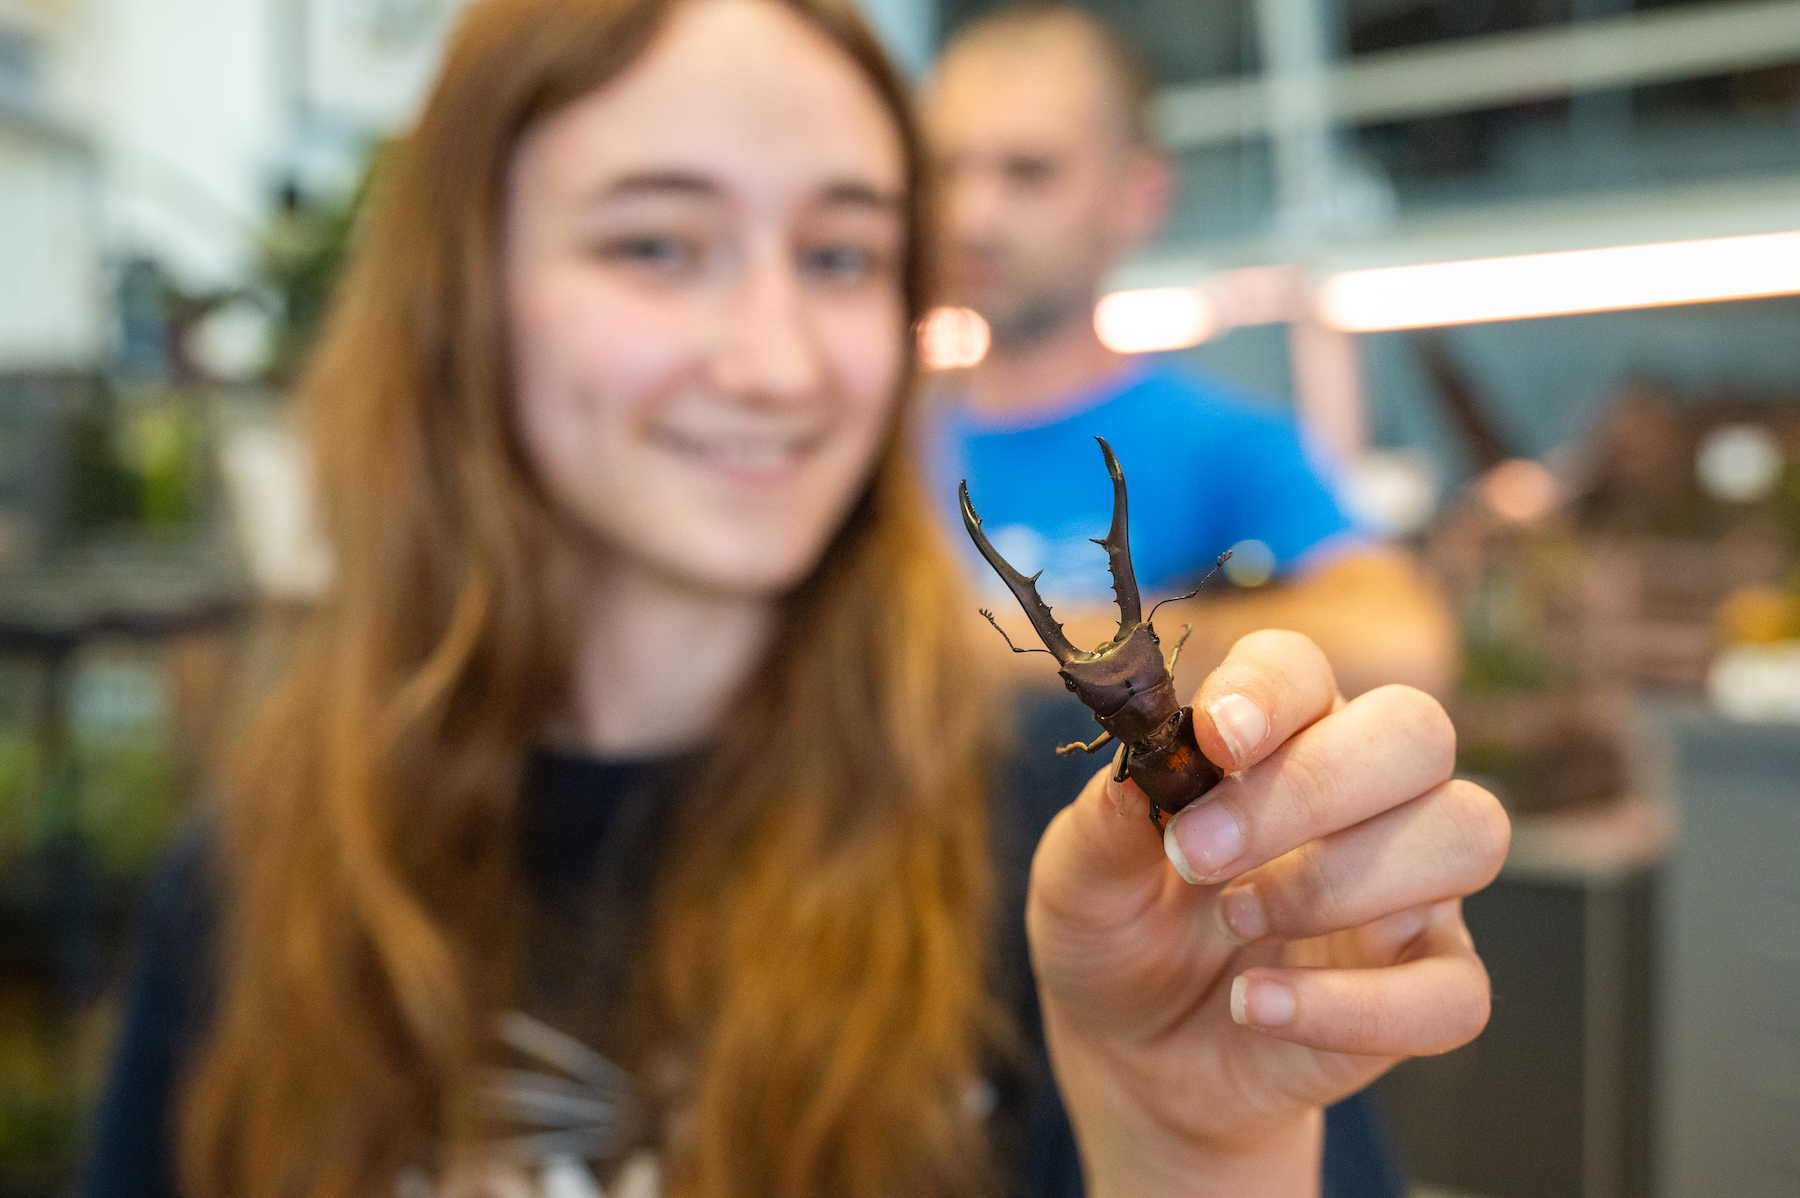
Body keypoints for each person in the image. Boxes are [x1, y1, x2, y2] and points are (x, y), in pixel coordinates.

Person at [83, 1, 1507, 1197]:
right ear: (465, 296)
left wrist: (1198, 1154)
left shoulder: (1088, 872)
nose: (776, 361)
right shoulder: (240, 883)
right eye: (657, 243)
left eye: (838, 255)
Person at [923, 4, 1455, 700]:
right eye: (945, 171)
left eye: (1029, 172)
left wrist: (1002, 650)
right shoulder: (865, 443)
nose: (972, 216)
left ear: (1139, 194)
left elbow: (1402, 646)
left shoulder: (1223, 445)